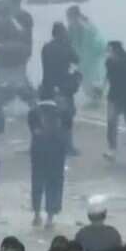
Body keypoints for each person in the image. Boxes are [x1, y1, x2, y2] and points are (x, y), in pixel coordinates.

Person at [40, 22, 81, 155]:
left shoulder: (46, 48)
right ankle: (68, 148)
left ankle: (46, 146)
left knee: (48, 120)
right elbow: (76, 60)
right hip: (63, 88)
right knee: (66, 118)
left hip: (47, 88)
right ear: (62, 33)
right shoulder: (66, 48)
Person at [28, 99, 68, 229]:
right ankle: (49, 218)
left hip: (39, 154)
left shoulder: (34, 116)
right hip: (55, 155)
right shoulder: (60, 115)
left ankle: (37, 214)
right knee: (54, 185)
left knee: (37, 184)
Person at [66, 6, 106, 107]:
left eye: (70, 18)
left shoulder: (87, 27)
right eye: (68, 18)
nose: (69, 21)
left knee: (90, 80)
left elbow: (96, 42)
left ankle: (98, 100)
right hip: (82, 59)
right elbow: (69, 42)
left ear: (76, 16)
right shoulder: (71, 28)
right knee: (85, 83)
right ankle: (96, 99)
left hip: (92, 57)